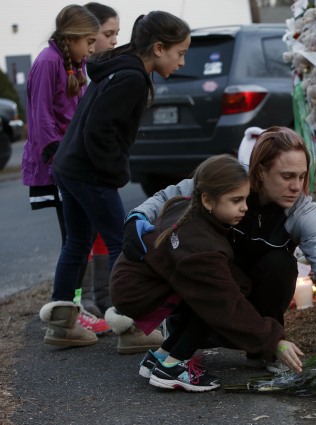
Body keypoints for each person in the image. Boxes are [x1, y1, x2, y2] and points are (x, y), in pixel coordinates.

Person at [123, 126, 316, 348]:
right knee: (200, 260)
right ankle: (184, 341)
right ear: (260, 171)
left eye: (301, 176)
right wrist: (138, 216)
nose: (296, 186)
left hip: (250, 296)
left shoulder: (300, 209)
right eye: (287, 176)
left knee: (280, 263)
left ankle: (262, 347)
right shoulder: (227, 181)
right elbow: (169, 196)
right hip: (207, 288)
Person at [38, 11, 191, 348]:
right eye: (180, 53)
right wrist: (114, 172)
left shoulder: (120, 68)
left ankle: (62, 326)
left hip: (69, 165)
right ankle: (131, 325)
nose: (181, 62)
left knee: (78, 242)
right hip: (88, 171)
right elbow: (100, 130)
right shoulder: (131, 78)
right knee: (125, 242)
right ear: (159, 47)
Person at [110, 155, 304, 392]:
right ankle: (174, 366)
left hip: (133, 284)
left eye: (245, 199)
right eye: (235, 200)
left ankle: (161, 356)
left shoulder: (189, 210)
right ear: (208, 200)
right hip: (138, 293)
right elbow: (225, 304)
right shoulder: (201, 246)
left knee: (230, 282)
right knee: (217, 296)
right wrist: (273, 340)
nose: (244, 208)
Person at [21, 5, 98, 251]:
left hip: (74, 159)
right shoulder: (47, 61)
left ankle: (76, 290)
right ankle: (69, 291)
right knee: (74, 239)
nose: (92, 49)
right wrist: (58, 157)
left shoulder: (76, 62)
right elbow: (40, 115)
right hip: (59, 163)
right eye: (89, 41)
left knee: (83, 236)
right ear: (72, 37)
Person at [78, 2, 120, 319]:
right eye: (108, 34)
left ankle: (103, 297)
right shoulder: (73, 69)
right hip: (76, 167)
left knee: (102, 232)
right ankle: (78, 303)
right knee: (80, 237)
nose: (113, 42)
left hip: (95, 166)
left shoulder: (101, 69)